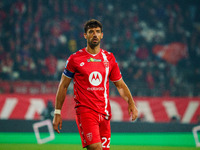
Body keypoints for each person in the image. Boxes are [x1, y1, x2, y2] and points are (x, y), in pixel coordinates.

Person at [53, 19, 138, 150]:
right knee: (96, 148)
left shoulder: (109, 58)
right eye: (91, 32)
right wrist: (57, 112)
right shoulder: (74, 59)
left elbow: (120, 85)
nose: (95, 34)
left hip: (104, 113)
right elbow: (63, 86)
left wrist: (131, 103)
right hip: (85, 112)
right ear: (85, 35)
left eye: (97, 32)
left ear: (102, 35)